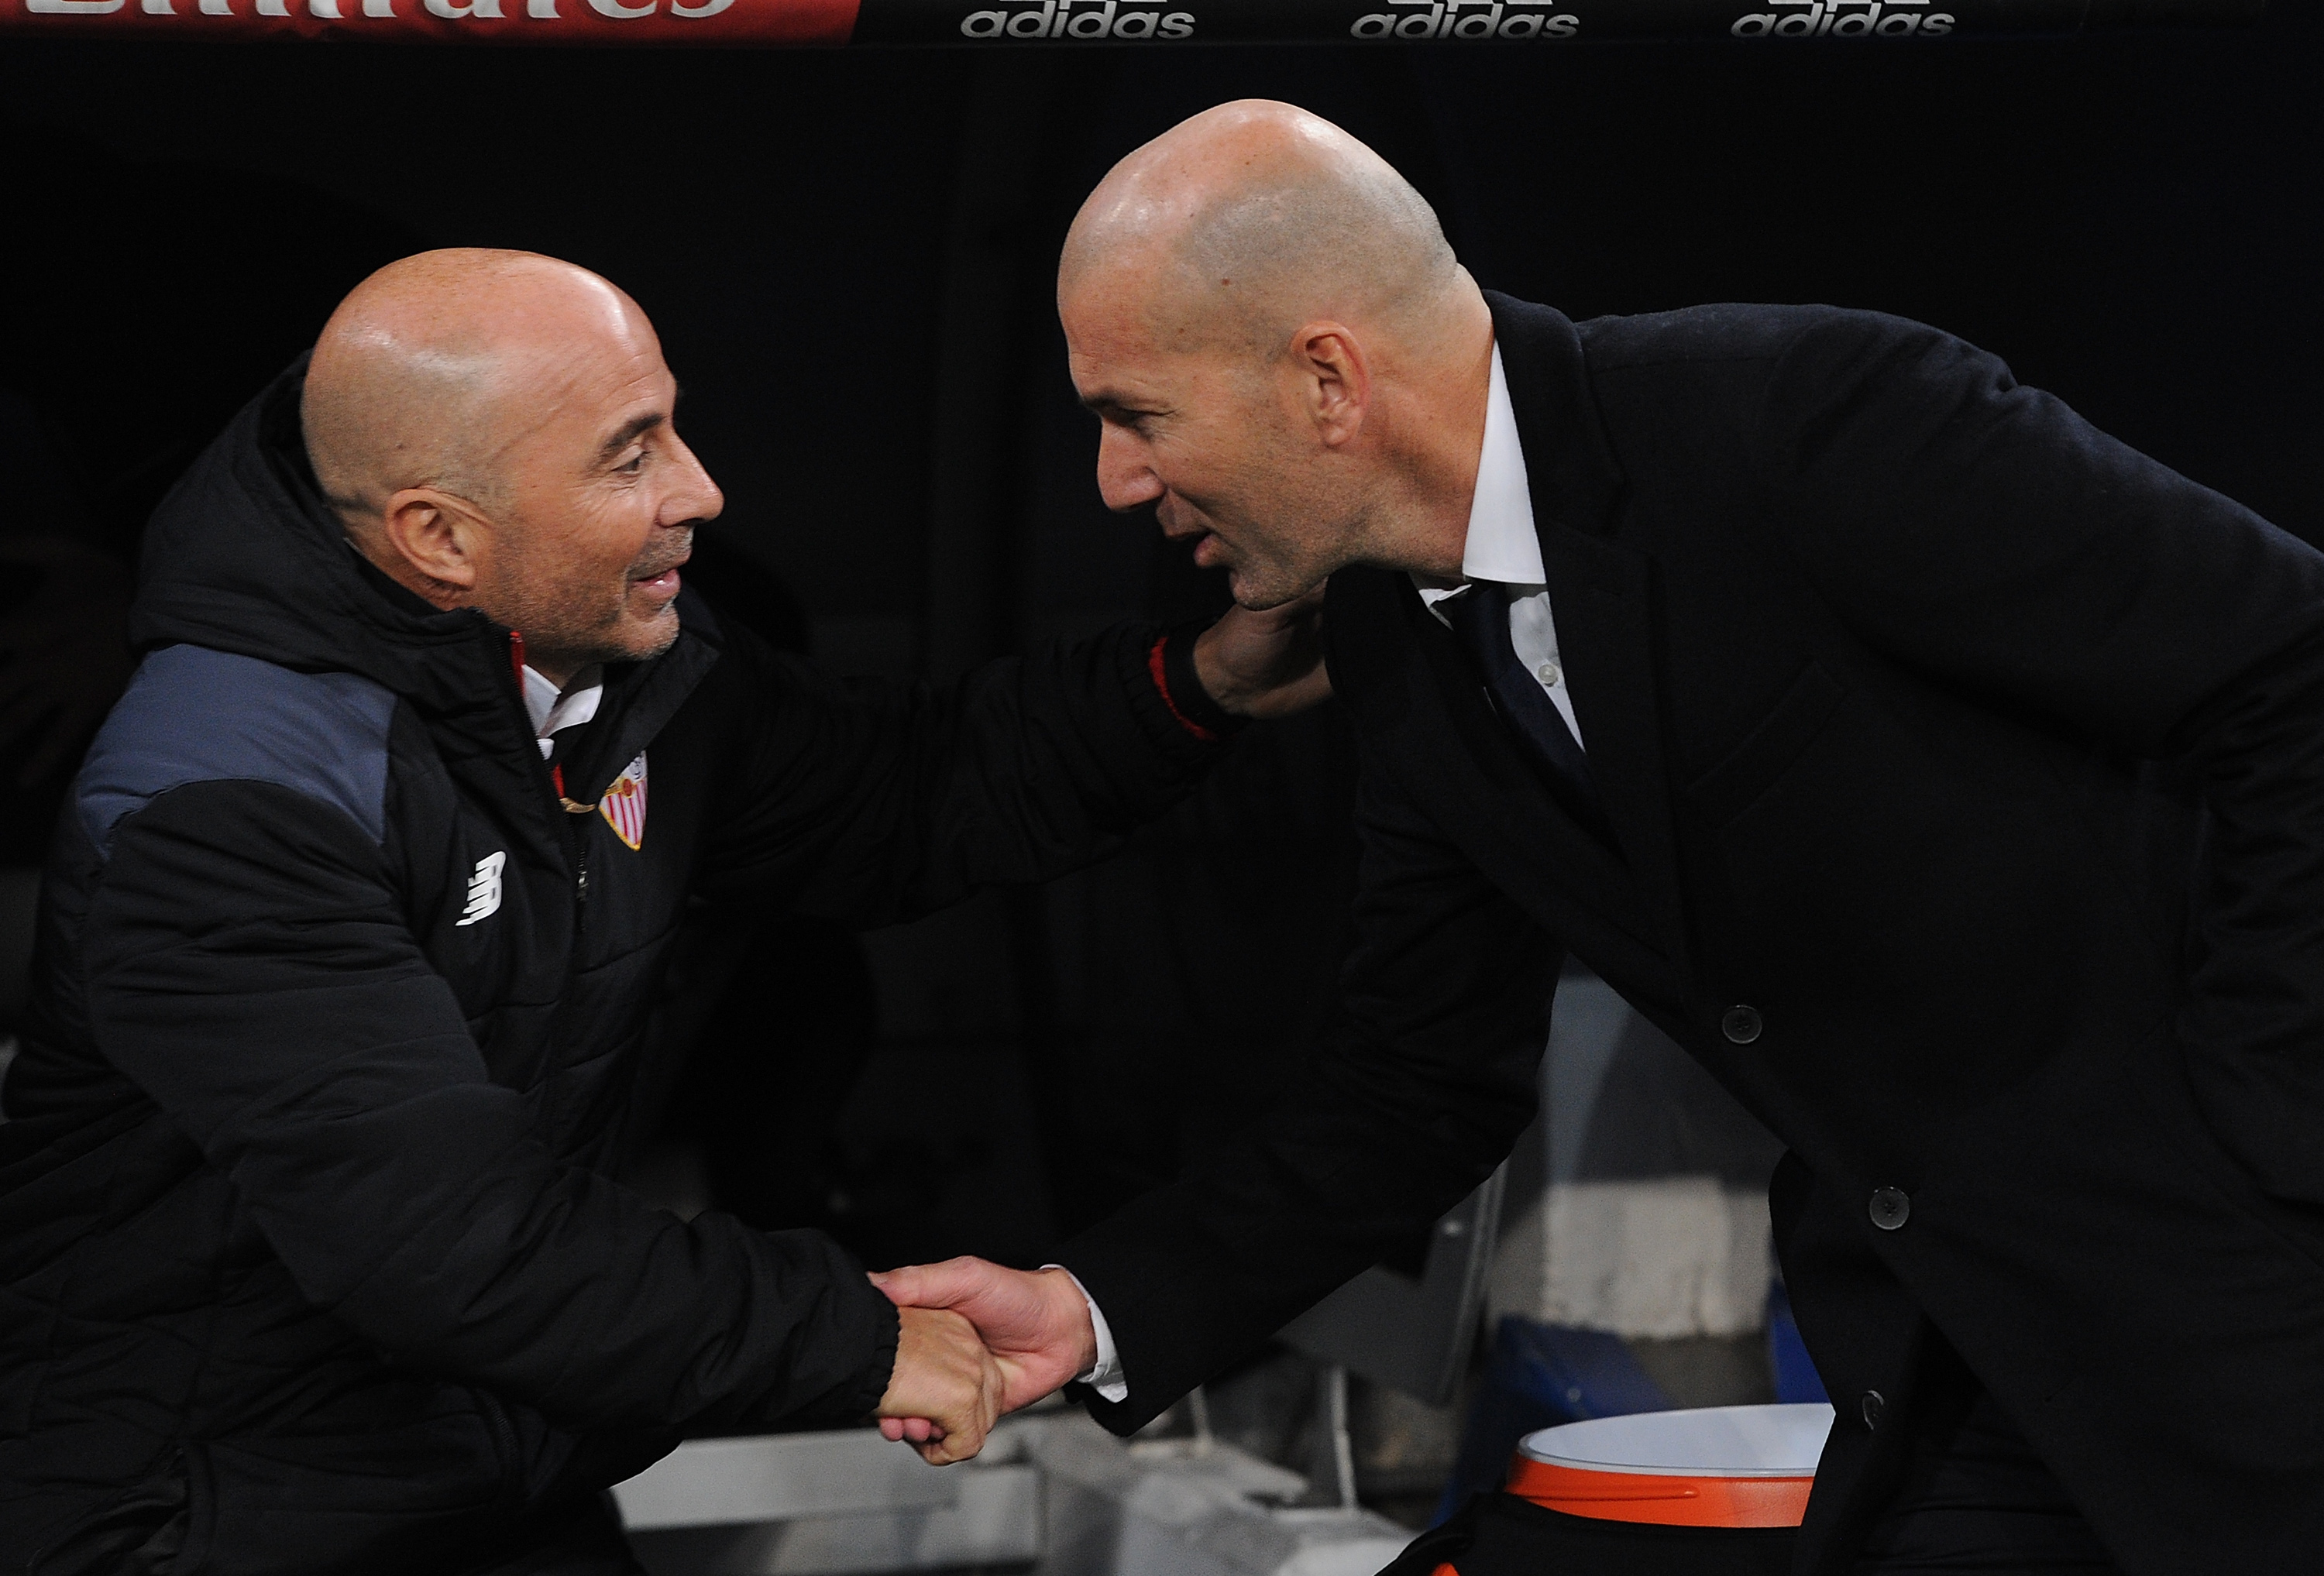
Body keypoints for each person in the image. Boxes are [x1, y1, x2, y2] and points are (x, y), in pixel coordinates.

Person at [871, 101, 2324, 1574]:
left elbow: (2293, 675)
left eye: (1137, 416)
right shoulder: (1393, 640)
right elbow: (1416, 1086)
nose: (1117, 482)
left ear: (1325, 378)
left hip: (2252, 1305)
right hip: (1965, 1370)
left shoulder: (1804, 418)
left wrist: (2270, 1141)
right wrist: (1099, 1308)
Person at [0, 248, 1326, 1575]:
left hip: (481, 1479)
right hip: (186, 1521)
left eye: (673, 426)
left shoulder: (613, 667)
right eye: (630, 457)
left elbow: (898, 791)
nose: (701, 490)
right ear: (438, 536)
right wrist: (855, 1340)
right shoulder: (224, 799)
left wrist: (1196, 687)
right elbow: (452, 1245)